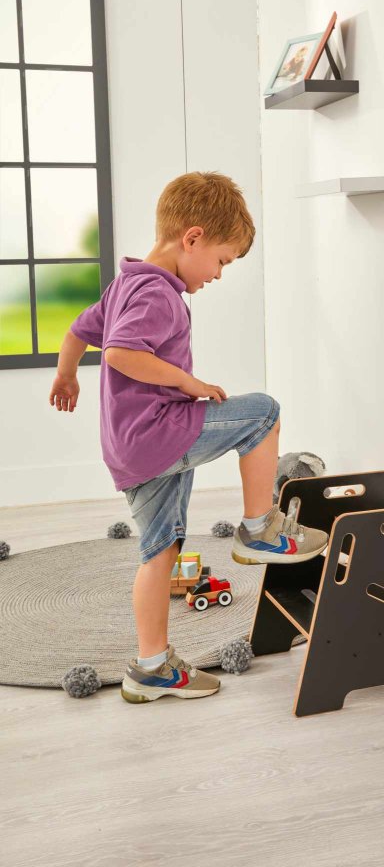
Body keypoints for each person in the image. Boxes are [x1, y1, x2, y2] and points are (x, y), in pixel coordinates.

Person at [48, 171, 328, 703]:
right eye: (221, 260)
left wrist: (65, 375)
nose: (219, 274)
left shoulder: (126, 283)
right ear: (192, 238)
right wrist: (188, 383)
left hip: (130, 449)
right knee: (263, 413)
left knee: (161, 551)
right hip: (158, 432)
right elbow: (120, 353)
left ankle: (151, 666)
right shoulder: (158, 292)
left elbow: (80, 331)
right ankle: (259, 529)